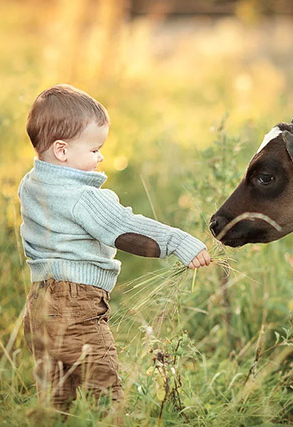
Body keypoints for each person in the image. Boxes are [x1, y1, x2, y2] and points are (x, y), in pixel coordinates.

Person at [18, 84, 211, 412]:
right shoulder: (84, 197)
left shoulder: (31, 184)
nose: (101, 156)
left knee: (54, 399)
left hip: (38, 305)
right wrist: (179, 242)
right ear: (62, 151)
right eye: (94, 149)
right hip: (76, 306)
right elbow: (124, 227)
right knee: (106, 394)